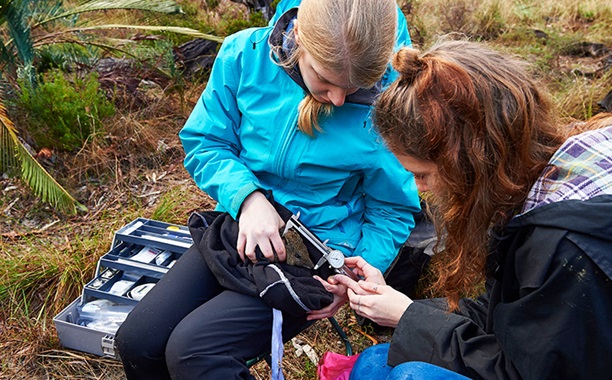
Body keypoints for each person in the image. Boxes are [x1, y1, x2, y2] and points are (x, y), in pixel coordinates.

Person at [115, 0, 420, 379]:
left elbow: (392, 209)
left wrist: (358, 269)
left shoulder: (389, 108)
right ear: (300, 43)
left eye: (354, 87)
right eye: (325, 82)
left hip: (315, 260)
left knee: (195, 353)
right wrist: (248, 199)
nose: (339, 100)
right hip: (241, 231)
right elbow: (205, 142)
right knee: (137, 342)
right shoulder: (245, 55)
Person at [333, 39, 612, 380]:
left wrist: (406, 316)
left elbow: (526, 370)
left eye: (422, 174)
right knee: (372, 364)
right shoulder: (548, 173)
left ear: (469, 162)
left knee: (409, 375)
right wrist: (403, 307)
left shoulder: (567, 250)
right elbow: (511, 317)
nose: (420, 189)